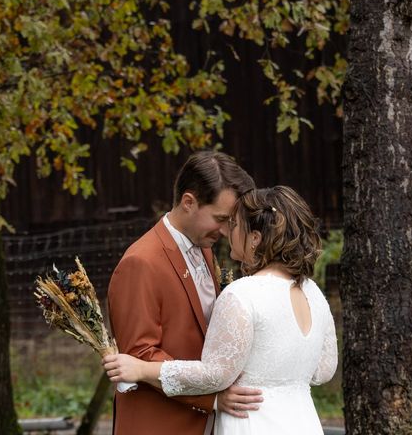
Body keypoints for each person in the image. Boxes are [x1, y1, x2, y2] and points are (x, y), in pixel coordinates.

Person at [104, 186, 339, 435]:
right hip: (302, 422)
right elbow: (323, 370)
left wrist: (141, 369)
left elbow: (214, 375)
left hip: (252, 423)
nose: (228, 232)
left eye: (235, 225)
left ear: (256, 238)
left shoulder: (242, 294)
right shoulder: (313, 293)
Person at [107, 151, 262, 435]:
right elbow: (140, 355)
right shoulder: (140, 263)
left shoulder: (204, 248)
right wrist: (211, 397)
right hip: (158, 424)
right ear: (189, 202)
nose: (228, 231)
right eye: (221, 218)